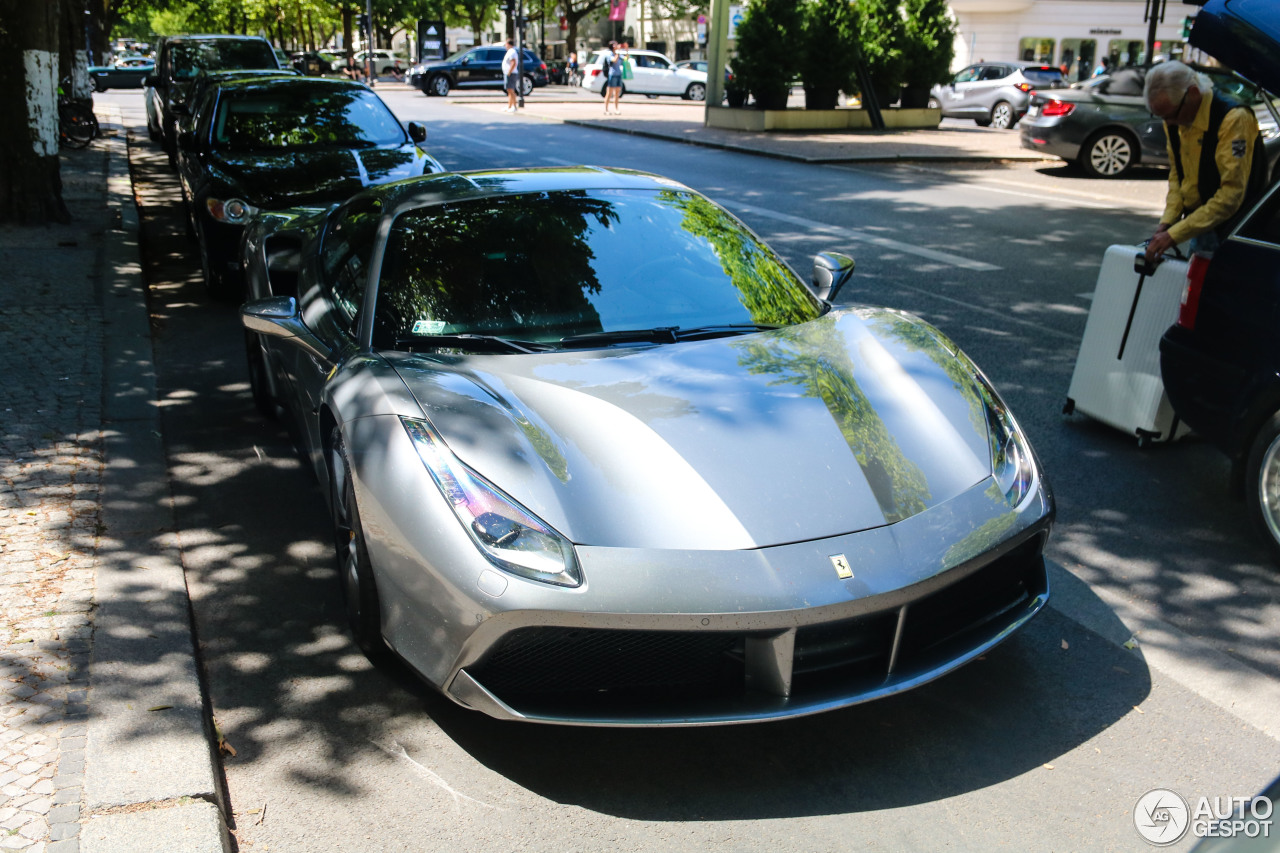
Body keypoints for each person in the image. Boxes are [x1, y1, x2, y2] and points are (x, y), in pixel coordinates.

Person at [1143, 60, 1265, 263]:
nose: (1168, 124)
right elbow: (1178, 175)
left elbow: (1231, 194)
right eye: (1160, 117)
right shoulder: (1175, 117)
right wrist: (1169, 220)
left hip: (1234, 229)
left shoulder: (1233, 119)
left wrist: (1176, 233)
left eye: (1171, 115)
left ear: (1193, 94)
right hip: (1200, 224)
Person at [603, 41, 625, 115]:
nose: (617, 45)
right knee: (609, 92)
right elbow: (614, 60)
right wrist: (618, 52)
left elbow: (626, 59)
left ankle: (616, 109)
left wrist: (626, 49)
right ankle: (606, 109)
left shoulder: (618, 54)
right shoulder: (609, 54)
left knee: (617, 93)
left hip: (618, 74)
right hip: (612, 74)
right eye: (615, 45)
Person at [502, 38, 520, 113]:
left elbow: (513, 62)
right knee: (509, 90)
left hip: (511, 73)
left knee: (511, 90)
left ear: (508, 44)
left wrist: (509, 71)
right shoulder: (510, 51)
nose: (505, 46)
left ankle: (514, 106)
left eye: (506, 44)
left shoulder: (512, 52)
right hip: (509, 72)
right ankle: (510, 106)